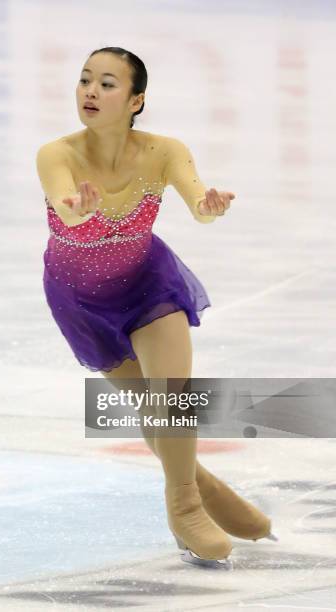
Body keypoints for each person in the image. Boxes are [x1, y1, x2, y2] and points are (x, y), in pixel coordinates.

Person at [36, 47, 276, 568]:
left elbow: (197, 202)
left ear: (137, 99)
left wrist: (208, 209)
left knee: (171, 398)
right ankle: (204, 486)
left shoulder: (165, 150)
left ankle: (184, 508)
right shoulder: (56, 154)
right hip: (80, 300)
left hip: (149, 283)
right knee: (152, 410)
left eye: (106, 83)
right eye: (84, 81)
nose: (90, 92)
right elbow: (64, 206)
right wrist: (76, 211)